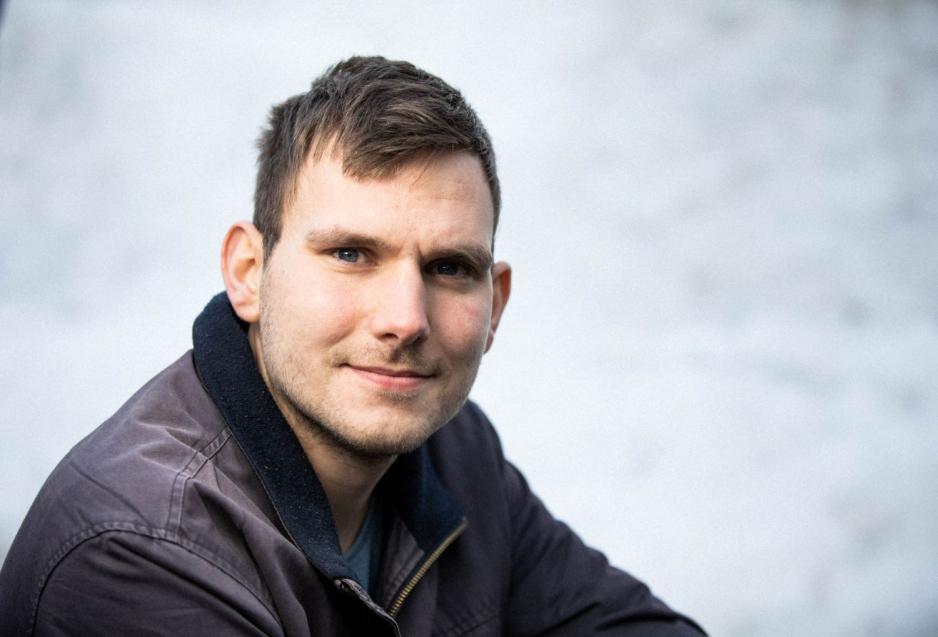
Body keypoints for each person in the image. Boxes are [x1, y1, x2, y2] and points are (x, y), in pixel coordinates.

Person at [0, 56, 705, 636]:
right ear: (248, 273)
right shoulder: (141, 546)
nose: (406, 320)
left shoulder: (456, 452)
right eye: (350, 253)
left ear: (496, 304)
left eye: (448, 267)